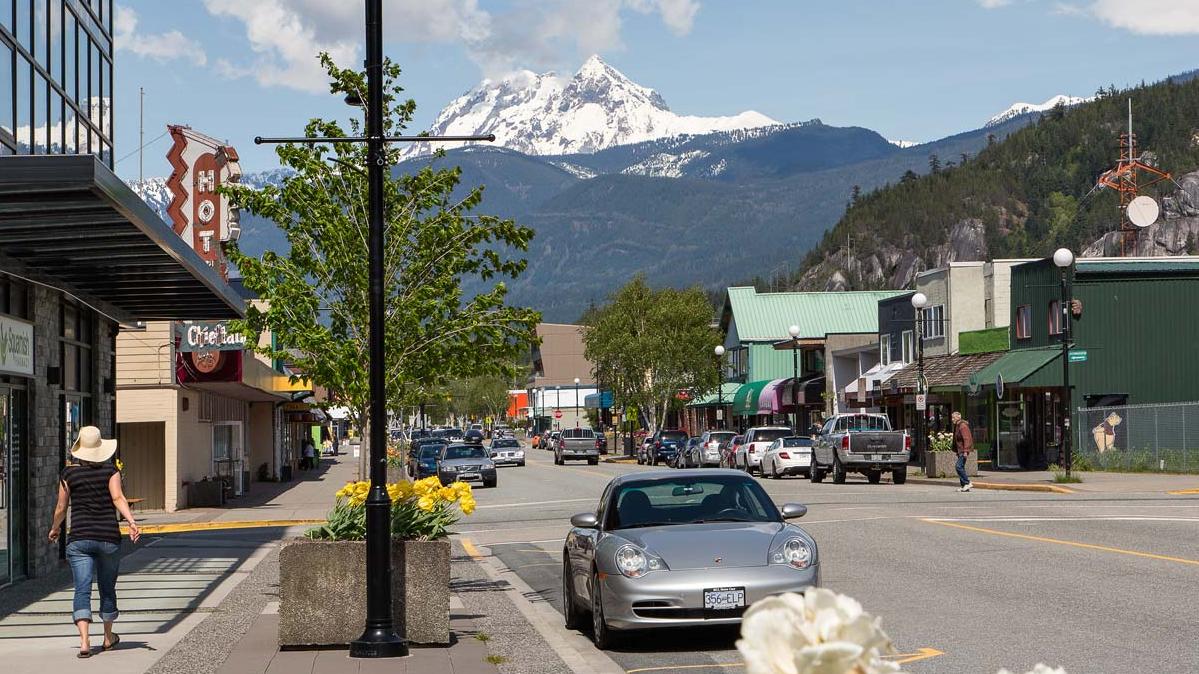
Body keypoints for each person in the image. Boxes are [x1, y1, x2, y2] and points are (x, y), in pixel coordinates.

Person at [49, 426, 141, 658]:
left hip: (79, 538)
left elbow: (61, 507)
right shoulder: (110, 471)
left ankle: (84, 642)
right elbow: (117, 498)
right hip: (108, 538)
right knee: (107, 587)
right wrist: (131, 521)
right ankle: (108, 637)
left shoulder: (68, 474)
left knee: (82, 589)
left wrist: (55, 528)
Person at [952, 411, 974, 492]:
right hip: (960, 450)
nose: (952, 419)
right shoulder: (957, 426)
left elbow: (967, 439)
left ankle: (967, 482)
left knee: (958, 466)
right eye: (952, 417)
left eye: (953, 417)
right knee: (961, 467)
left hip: (963, 450)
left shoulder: (962, 426)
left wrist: (966, 451)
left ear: (958, 417)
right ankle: (964, 485)